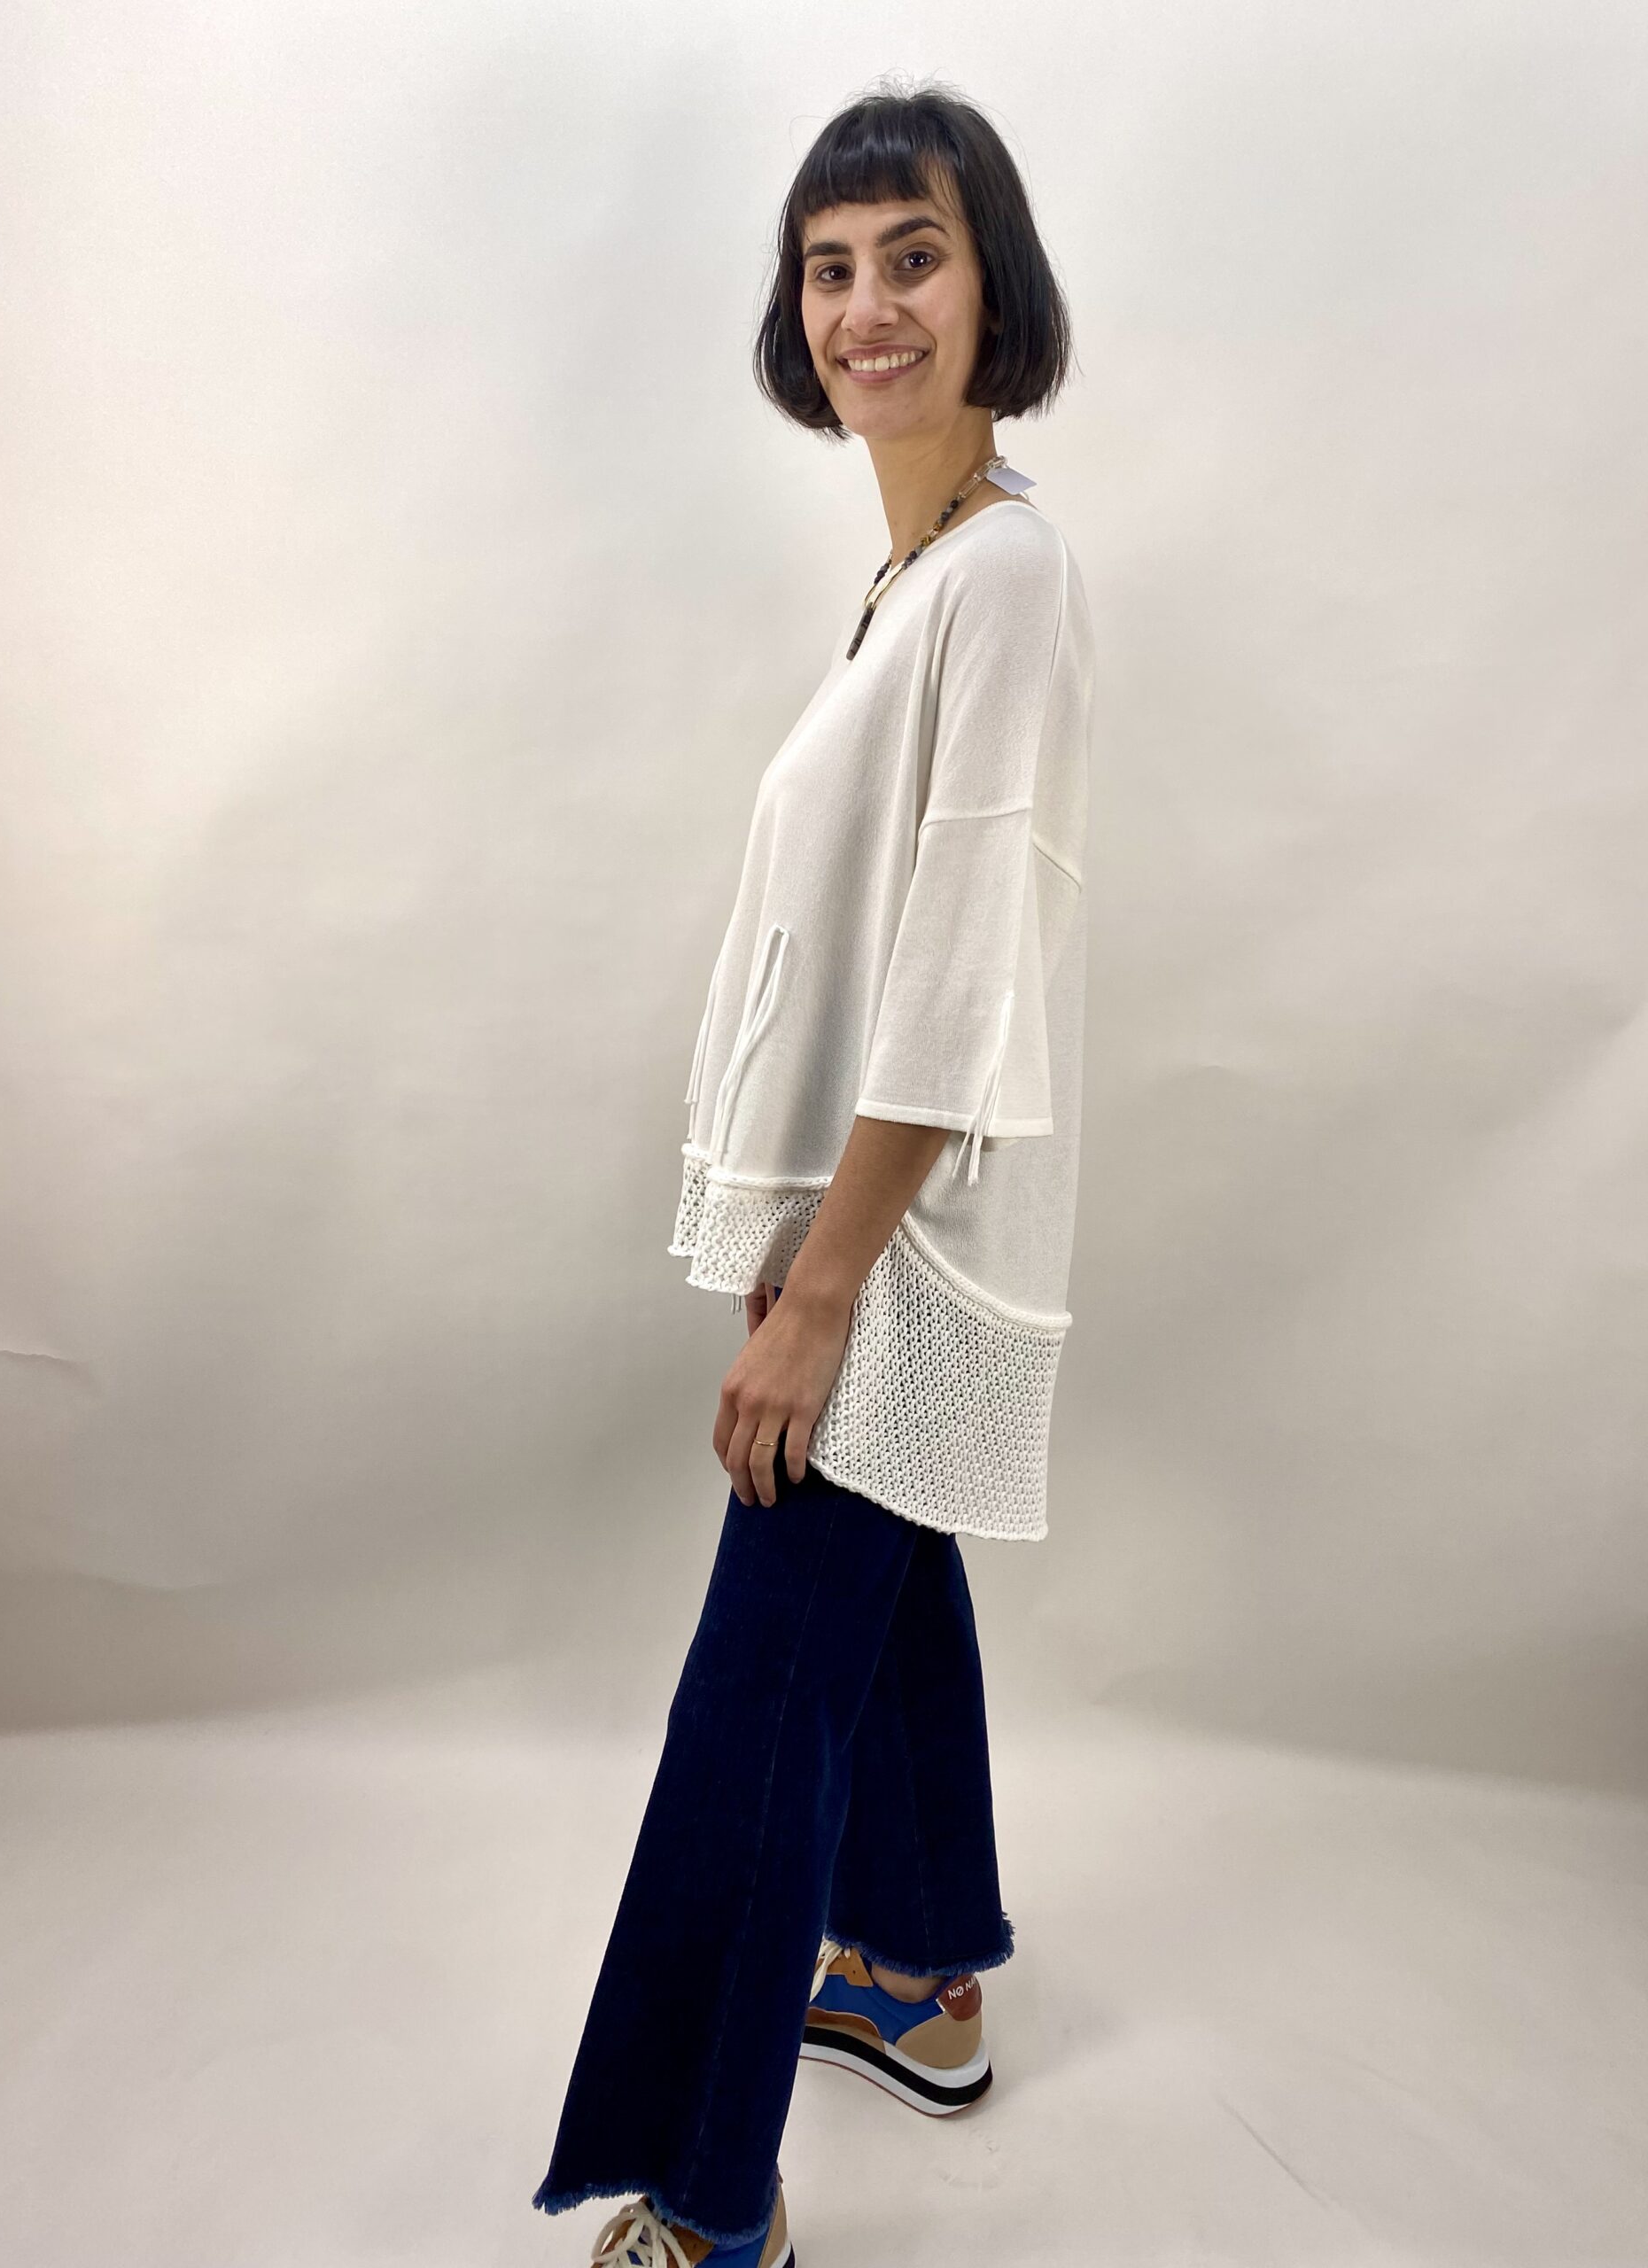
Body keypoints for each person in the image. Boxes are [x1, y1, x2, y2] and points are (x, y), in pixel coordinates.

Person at [531, 75, 1094, 2268]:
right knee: (882, 1585)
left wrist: (828, 1286)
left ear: (991, 282)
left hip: (904, 1245)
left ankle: (703, 2189)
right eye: (832, 267)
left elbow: (956, 982)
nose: (869, 307)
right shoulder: (925, 572)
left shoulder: (1007, 575)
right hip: (872, 1226)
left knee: (753, 1701)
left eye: (914, 257)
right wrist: (807, 1238)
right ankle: (920, 1979)